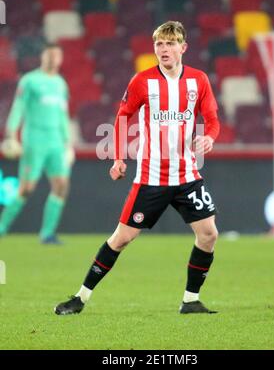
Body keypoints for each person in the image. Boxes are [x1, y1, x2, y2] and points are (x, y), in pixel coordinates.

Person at [55, 21, 220, 315]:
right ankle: (79, 298)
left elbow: (212, 118)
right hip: (151, 177)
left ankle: (191, 301)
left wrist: (209, 136)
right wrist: (119, 158)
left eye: (170, 43)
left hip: (187, 176)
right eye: (159, 44)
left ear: (183, 48)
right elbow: (122, 117)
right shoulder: (142, 81)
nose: (164, 49)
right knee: (121, 239)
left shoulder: (199, 80)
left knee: (208, 234)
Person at [0, 43, 74, 244]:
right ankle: (2, 227)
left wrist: (68, 143)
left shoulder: (60, 84)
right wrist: (11, 134)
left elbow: (62, 115)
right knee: (27, 188)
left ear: (60, 59)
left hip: (56, 143)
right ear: (42, 57)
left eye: (56, 56)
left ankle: (47, 234)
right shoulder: (30, 80)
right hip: (34, 141)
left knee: (61, 185)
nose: (52, 59)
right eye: (49, 55)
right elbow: (18, 108)